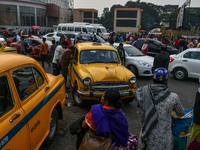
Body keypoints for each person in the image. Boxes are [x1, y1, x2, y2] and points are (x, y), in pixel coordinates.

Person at [135, 68, 185, 150]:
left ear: (153, 79)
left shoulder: (143, 93)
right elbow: (180, 113)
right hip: (164, 138)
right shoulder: (173, 97)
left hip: (147, 133)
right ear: (166, 81)